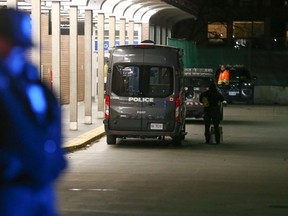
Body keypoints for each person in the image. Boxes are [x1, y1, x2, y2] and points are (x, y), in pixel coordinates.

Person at [0, 8, 67, 216]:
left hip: (41, 186)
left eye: (23, 47)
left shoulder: (30, 81)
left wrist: (55, 163)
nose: (20, 53)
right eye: (13, 46)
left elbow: (47, 120)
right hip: (9, 191)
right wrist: (10, 167)